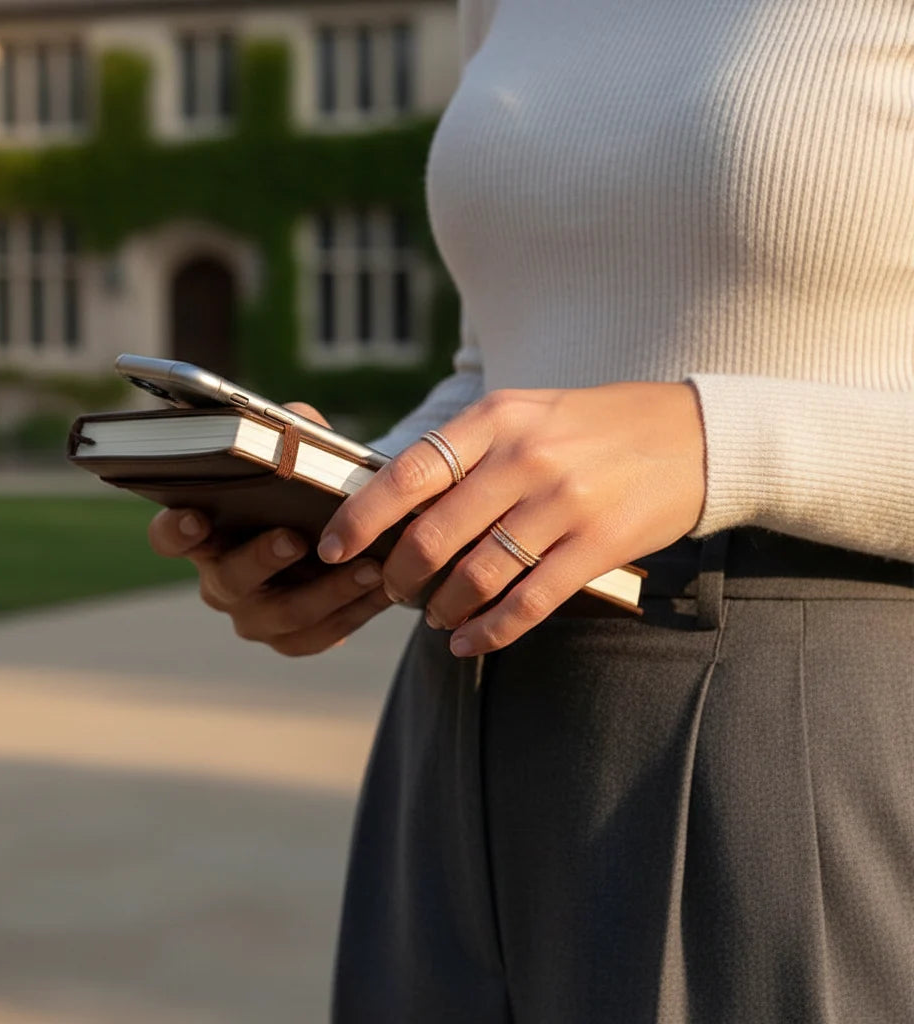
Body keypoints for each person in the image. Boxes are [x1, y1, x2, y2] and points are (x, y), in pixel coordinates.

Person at [148, 0, 914, 1019]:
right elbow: (497, 361)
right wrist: (363, 498)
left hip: (796, 728)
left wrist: (713, 436)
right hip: (455, 718)